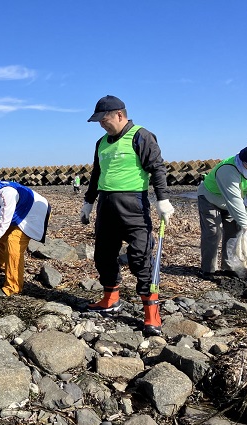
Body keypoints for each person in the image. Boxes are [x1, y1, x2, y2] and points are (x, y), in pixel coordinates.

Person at [80, 95, 174, 337]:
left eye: (105, 119)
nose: (101, 124)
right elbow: (96, 174)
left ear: (120, 115)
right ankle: (110, 299)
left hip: (134, 205)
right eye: (98, 121)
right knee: (104, 254)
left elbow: (157, 168)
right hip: (106, 205)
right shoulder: (101, 143)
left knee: (141, 257)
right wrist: (88, 203)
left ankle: (152, 314)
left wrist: (162, 199)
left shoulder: (142, 136)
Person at [197, 141, 247, 278]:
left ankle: (229, 267)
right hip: (210, 198)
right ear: (244, 160)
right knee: (213, 232)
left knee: (234, 232)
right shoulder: (228, 170)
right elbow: (234, 200)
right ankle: (208, 269)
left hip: (232, 201)